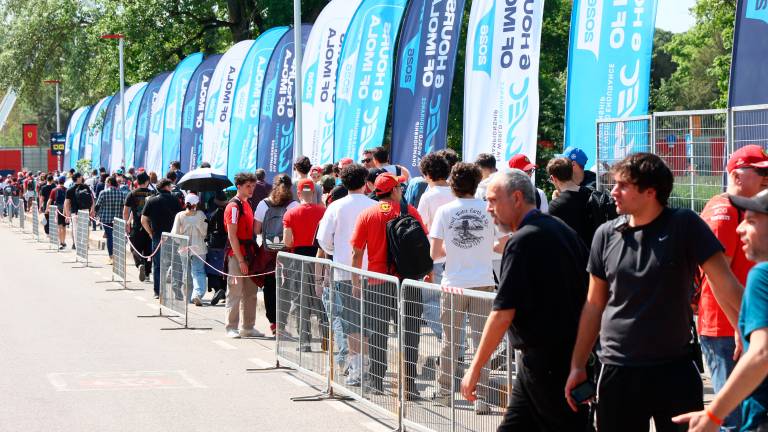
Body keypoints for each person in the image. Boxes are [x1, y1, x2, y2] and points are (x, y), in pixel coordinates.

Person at [565, 153, 744, 432]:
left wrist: (752, 330)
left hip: (674, 370)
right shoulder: (605, 234)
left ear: (650, 192)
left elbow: (725, 282)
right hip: (617, 371)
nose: (613, 192)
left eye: (623, 185)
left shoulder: (684, 224)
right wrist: (577, 365)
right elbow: (593, 305)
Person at [459, 169, 591, 430]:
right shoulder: (560, 229)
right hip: (558, 359)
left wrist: (475, 368)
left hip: (550, 365)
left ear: (517, 198)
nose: (488, 209)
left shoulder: (523, 240)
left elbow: (502, 312)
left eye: (493, 200)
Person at [673, 189, 768, 432]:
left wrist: (712, 417)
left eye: (752, 221)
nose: (740, 229)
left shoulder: (762, 276)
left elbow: (761, 354)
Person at [695, 145, 768, 431]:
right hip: (726, 329)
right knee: (734, 418)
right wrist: (740, 325)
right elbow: (717, 278)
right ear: (737, 175)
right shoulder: (724, 210)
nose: (766, 177)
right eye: (760, 172)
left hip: (744, 325)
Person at [430, 163, 506, 415]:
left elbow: (435, 253)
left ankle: (443, 393)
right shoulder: (487, 210)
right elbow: (499, 244)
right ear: (476, 184)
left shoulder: (444, 211)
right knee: (481, 341)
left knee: (451, 342)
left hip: (453, 282)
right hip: (483, 280)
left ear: (452, 184)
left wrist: (454, 250)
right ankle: (481, 396)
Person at [350, 172, 425, 397]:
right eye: (399, 187)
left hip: (377, 281)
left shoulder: (367, 214)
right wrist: (427, 274)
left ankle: (376, 381)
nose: (401, 190)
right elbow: (424, 245)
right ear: (393, 190)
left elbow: (356, 252)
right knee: (410, 332)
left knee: (378, 332)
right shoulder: (410, 212)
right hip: (408, 281)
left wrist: (355, 281)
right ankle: (409, 385)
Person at [316, 163, 376, 376]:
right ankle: (366, 366)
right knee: (367, 321)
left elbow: (323, 240)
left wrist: (336, 250)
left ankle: (357, 368)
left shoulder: (336, 206)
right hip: (372, 271)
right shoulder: (373, 205)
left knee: (351, 323)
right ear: (365, 182)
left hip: (344, 270)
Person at [283, 178, 326, 351]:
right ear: (314, 193)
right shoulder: (324, 211)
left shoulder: (290, 214)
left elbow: (287, 240)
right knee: (322, 300)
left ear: (298, 193)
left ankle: (305, 342)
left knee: (301, 300)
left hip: (298, 260)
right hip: (320, 259)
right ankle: (326, 339)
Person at [416, 153, 454, 342]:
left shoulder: (428, 197)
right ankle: (458, 348)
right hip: (458, 255)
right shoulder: (457, 191)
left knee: (431, 303)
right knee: (455, 306)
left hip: (435, 256)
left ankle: (448, 341)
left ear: (427, 174)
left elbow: (422, 227)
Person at [254, 174, 298, 335]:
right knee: (285, 288)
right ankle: (282, 324)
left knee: (270, 287)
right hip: (286, 253)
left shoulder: (263, 204)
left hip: (267, 253)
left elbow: (256, 230)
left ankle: (273, 323)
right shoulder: (293, 205)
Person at [223, 172, 263, 338]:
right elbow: (232, 236)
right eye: (248, 186)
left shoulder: (247, 204)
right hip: (237, 254)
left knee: (250, 292)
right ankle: (231, 327)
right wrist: (240, 260)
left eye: (253, 186)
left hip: (249, 252)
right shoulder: (234, 206)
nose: (251, 189)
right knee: (235, 291)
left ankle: (248, 326)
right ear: (238, 186)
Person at [141, 178, 183, 299]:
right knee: (176, 264)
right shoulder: (175, 199)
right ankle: (177, 290)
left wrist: (150, 233)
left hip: (158, 237)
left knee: (159, 265)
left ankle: (158, 291)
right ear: (167, 187)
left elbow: (143, 220)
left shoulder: (151, 200)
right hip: (174, 236)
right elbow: (180, 218)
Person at [546, 157, 594, 246]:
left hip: (573, 256)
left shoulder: (556, 205)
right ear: (571, 172)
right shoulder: (590, 192)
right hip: (594, 253)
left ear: (553, 178)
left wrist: (556, 201)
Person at [171, 193, 208, 306]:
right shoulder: (201, 215)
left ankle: (189, 295)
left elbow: (175, 234)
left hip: (184, 248)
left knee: (186, 272)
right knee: (199, 272)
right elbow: (204, 233)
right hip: (199, 248)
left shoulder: (180, 215)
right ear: (196, 203)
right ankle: (197, 294)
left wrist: (181, 242)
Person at [123, 172, 155, 283]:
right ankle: (147, 273)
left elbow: (126, 211)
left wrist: (127, 223)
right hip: (150, 226)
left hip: (136, 226)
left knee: (134, 248)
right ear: (147, 182)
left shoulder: (132, 194)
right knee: (148, 250)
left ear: (137, 182)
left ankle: (139, 263)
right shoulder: (153, 193)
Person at [95, 176, 128, 265]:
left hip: (106, 219)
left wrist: (96, 215)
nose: (105, 183)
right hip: (118, 219)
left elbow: (97, 205)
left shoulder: (103, 193)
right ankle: (118, 256)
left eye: (106, 181)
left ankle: (111, 257)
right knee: (116, 237)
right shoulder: (121, 193)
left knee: (110, 237)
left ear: (109, 182)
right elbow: (124, 206)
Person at [65, 172, 95, 249]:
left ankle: (78, 247)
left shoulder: (70, 190)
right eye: (81, 176)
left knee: (76, 230)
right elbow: (92, 199)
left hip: (75, 212)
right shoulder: (86, 187)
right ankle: (84, 245)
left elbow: (67, 203)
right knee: (85, 229)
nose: (82, 178)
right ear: (78, 178)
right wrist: (92, 209)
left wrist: (67, 215)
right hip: (85, 211)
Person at [47, 176, 69, 249]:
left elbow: (49, 201)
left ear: (58, 182)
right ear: (64, 181)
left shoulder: (54, 190)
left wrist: (47, 209)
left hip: (58, 209)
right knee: (64, 226)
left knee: (59, 226)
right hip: (65, 209)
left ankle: (61, 242)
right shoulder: (67, 190)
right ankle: (63, 241)